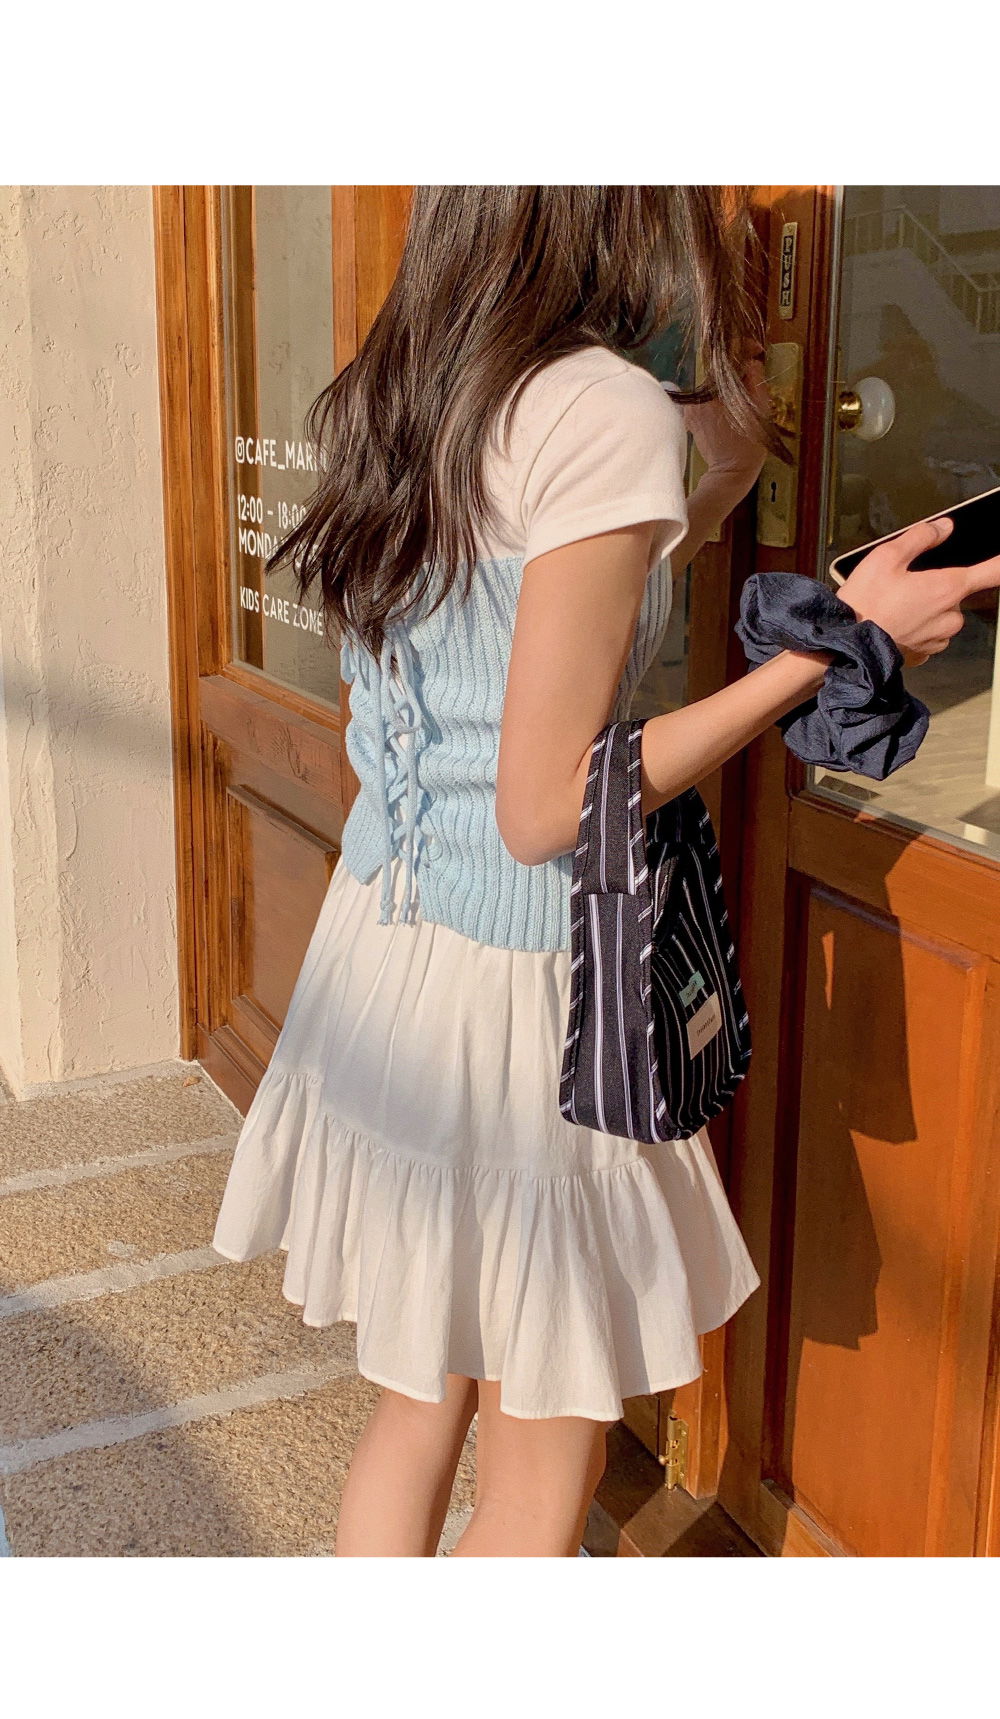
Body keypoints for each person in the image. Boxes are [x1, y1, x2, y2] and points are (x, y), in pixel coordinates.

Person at [212, 186, 997, 1557]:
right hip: (526, 996)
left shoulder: (399, 389)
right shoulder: (600, 406)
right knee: (538, 1461)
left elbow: (494, 640)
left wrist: (715, 465)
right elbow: (543, 809)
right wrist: (838, 644)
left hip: (388, 944)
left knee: (418, 1404)